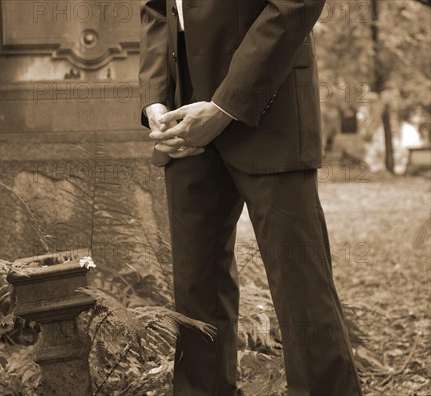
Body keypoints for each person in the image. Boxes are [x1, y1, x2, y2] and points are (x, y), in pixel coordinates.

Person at [138, 1, 364, 395]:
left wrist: (226, 105)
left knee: (301, 290)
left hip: (268, 105)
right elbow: (157, 9)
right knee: (196, 296)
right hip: (181, 118)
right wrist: (155, 96)